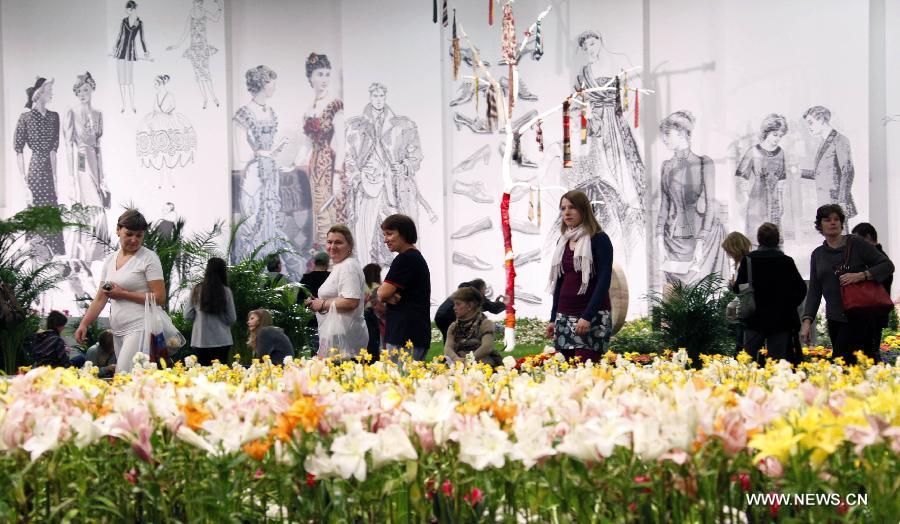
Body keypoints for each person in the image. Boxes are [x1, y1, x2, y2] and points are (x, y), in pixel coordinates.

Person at [345, 83, 435, 267]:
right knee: (364, 236)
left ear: (385, 97)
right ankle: (366, 284)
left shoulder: (403, 125)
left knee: (401, 235)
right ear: (370, 97)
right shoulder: (355, 126)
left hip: (394, 189)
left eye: (381, 95)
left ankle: (404, 277)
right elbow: (349, 159)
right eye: (375, 95)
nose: (378, 99)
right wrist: (358, 178)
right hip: (367, 187)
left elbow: (416, 155)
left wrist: (402, 167)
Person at [800, 205, 894, 364]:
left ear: (842, 223)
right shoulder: (818, 254)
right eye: (827, 220)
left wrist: (861, 275)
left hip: (859, 315)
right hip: (834, 318)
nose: (833, 223)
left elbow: (887, 265)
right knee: (851, 365)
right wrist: (807, 322)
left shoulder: (856, 243)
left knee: (843, 362)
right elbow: (815, 291)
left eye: (837, 219)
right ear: (820, 225)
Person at [75, 210, 165, 374]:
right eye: (129, 234)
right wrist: (84, 323)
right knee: (133, 380)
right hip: (117, 330)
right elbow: (100, 297)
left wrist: (122, 294)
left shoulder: (149, 258)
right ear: (118, 230)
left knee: (123, 376)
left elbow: (159, 298)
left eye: (139, 235)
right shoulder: (110, 260)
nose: (134, 239)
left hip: (140, 326)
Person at [656, 110, 727, 286]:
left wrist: (701, 241)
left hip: (701, 236)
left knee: (701, 291)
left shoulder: (704, 163)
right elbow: (664, 204)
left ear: (681, 133)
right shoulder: (666, 166)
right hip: (672, 238)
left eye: (667, 134)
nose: (663, 138)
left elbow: (710, 204)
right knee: (676, 296)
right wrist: (658, 240)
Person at [546, 190, 614, 362]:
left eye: (572, 207)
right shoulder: (562, 241)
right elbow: (559, 283)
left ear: (583, 210)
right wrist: (553, 318)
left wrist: (587, 316)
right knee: (565, 372)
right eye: (563, 208)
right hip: (564, 314)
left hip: (592, 316)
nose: (566, 213)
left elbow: (604, 280)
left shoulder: (599, 239)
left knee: (587, 372)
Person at [732, 223, 806, 362]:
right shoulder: (786, 262)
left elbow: (739, 287)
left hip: (754, 318)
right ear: (777, 240)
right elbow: (801, 289)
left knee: (747, 361)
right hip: (781, 320)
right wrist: (789, 305)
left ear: (759, 239)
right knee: (777, 363)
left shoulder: (748, 261)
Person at [299, 53, 346, 245]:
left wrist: (336, 176)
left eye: (327, 74)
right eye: (320, 74)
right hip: (314, 164)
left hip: (329, 163)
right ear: (310, 77)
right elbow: (307, 144)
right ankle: (321, 257)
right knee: (317, 209)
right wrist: (294, 164)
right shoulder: (309, 108)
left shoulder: (335, 105)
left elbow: (343, 145)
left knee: (329, 210)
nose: (324, 79)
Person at [15, 77, 64, 257]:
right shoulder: (25, 118)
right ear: (40, 93)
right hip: (34, 170)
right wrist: (24, 183)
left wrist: (57, 180)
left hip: (49, 173)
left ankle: (55, 257)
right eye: (49, 89)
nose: (52, 93)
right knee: (35, 212)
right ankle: (35, 257)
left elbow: (53, 151)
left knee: (51, 211)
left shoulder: (54, 117)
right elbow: (18, 150)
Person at [305, 225, 368, 359]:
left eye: (338, 242)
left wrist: (322, 304)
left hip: (345, 341)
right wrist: (317, 303)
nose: (332, 246)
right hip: (335, 338)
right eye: (329, 242)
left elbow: (351, 301)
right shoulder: (341, 265)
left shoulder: (348, 266)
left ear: (350, 246)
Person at [377, 214, 432, 361]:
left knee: (399, 382)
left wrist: (384, 294)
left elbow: (382, 293)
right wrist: (388, 295)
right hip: (412, 335)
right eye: (384, 234)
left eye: (389, 234)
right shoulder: (414, 258)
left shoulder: (405, 259)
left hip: (404, 337)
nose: (385, 240)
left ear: (404, 233)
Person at [801, 106, 856, 227]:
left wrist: (842, 201)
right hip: (826, 200)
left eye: (811, 122)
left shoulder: (840, 140)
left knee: (841, 240)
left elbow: (848, 172)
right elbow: (821, 173)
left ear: (821, 120)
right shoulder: (823, 142)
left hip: (836, 201)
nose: (809, 127)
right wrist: (799, 172)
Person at [735, 114, 788, 233]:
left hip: (774, 200)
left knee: (773, 235)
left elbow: (781, 180)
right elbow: (741, 176)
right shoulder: (753, 151)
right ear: (766, 132)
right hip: (756, 199)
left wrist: (781, 202)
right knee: (756, 233)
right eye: (775, 135)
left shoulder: (781, 153)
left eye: (780, 136)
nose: (777, 138)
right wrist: (746, 198)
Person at [166, 0, 223, 109]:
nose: (198, 4)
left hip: (203, 48)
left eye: (199, 2)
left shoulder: (204, 12)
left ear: (201, 3)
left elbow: (216, 19)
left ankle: (214, 97)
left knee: (206, 74)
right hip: (194, 49)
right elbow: (185, 33)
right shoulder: (191, 14)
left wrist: (220, 7)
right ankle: (205, 99)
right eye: (196, 2)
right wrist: (175, 46)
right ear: (194, 3)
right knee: (199, 76)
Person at [184, 257, 236, 366]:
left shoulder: (196, 289)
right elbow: (231, 318)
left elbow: (187, 315)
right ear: (223, 271)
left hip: (200, 341)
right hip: (222, 341)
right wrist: (219, 313)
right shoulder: (226, 291)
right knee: (220, 375)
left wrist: (200, 315)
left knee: (203, 375)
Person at [851, 222, 894, 350]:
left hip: (874, 312)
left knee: (871, 351)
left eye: (858, 240)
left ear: (868, 238)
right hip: (872, 312)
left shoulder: (879, 259)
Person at [444, 287, 502, 367]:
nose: (454, 308)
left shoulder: (485, 324)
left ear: (469, 306)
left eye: (458, 304)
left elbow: (487, 347)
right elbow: (448, 347)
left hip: (480, 360)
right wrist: (455, 359)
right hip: (458, 360)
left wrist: (469, 359)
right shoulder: (453, 326)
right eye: (454, 304)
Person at [434, 279, 505, 342]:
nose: (484, 293)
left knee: (450, 343)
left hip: (440, 317)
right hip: (450, 318)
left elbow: (483, 306)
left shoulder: (464, 291)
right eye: (484, 290)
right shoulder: (473, 294)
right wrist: (505, 304)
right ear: (480, 288)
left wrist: (496, 304)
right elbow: (492, 308)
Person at [111, 1, 151, 113]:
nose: (126, 11)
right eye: (126, 9)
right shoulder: (123, 21)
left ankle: (132, 104)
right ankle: (124, 104)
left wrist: (146, 52)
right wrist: (115, 47)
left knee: (130, 80)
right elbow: (120, 35)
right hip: (120, 53)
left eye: (128, 9)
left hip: (131, 53)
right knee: (121, 80)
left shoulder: (140, 23)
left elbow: (142, 39)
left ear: (132, 9)